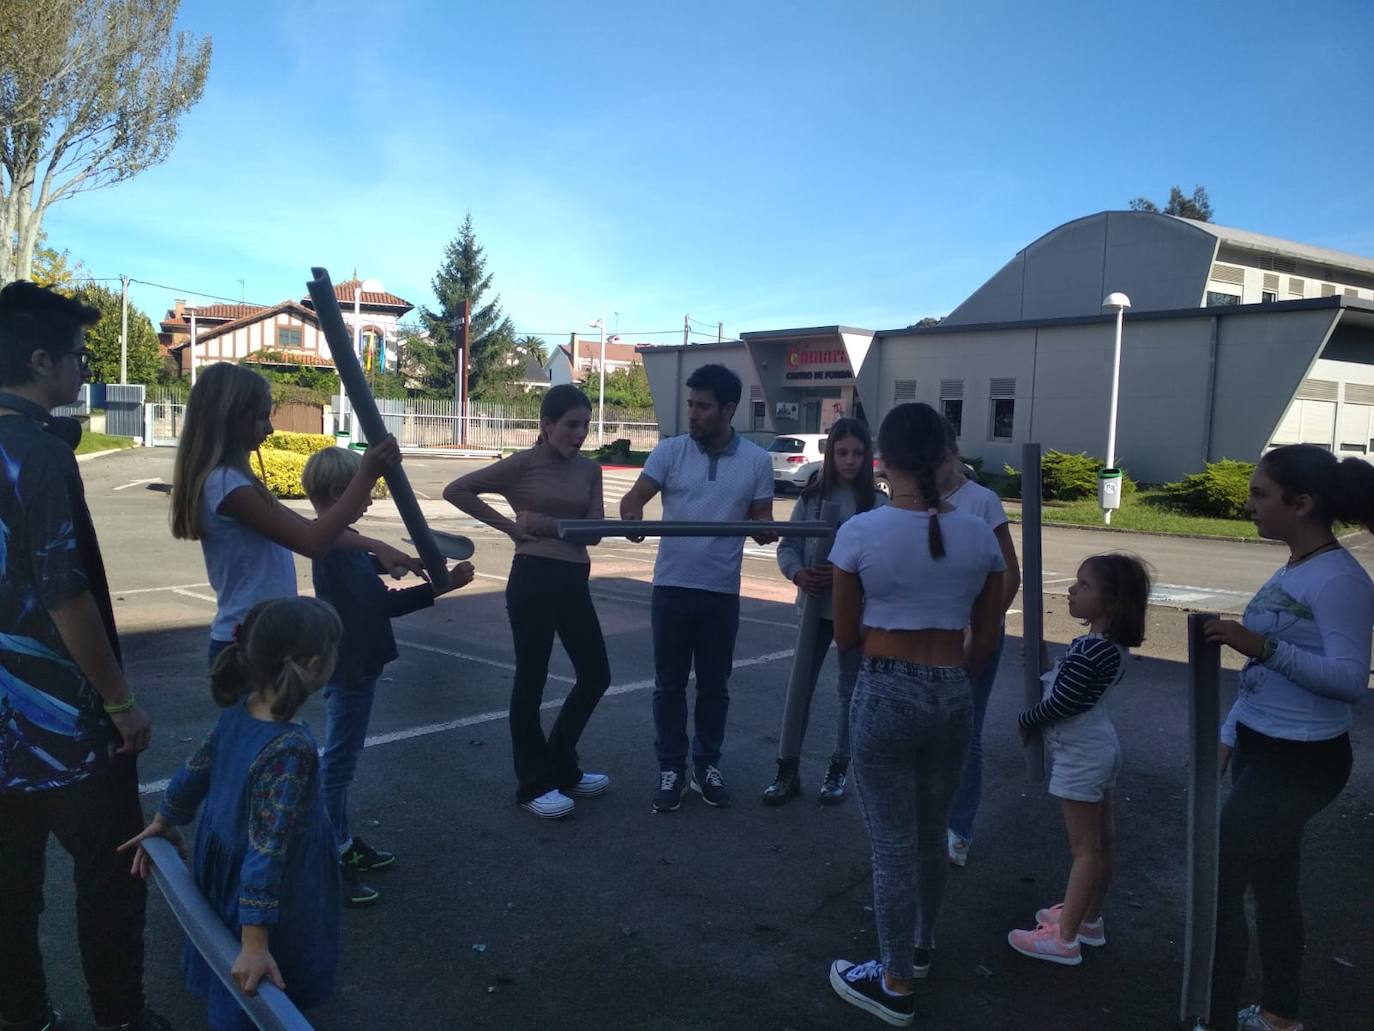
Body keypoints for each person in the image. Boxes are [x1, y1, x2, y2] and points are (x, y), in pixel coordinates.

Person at [0, 281, 169, 1031]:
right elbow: (66, 596)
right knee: (110, 873)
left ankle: (26, 1014)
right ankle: (119, 1016)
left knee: (9, 891)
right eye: (74, 355)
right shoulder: (36, 454)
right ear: (40, 360)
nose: (80, 369)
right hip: (63, 724)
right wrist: (120, 702)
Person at [826, 403, 1004, 1027]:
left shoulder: (862, 533)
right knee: (932, 833)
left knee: (892, 844)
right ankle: (920, 948)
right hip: (951, 692)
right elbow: (985, 639)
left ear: (884, 459)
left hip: (885, 691)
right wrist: (951, 672)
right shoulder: (980, 534)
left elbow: (845, 634)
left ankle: (895, 981)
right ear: (946, 455)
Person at [1200, 445, 1374, 1031]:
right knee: (1274, 886)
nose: (1249, 504)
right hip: (1259, 745)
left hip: (1304, 760)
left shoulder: (1341, 581)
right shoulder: (1295, 567)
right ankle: (1280, 1015)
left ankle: (1212, 1014)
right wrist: (1229, 736)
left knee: (1219, 877)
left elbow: (1350, 681)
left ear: (1303, 504)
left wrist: (1261, 644)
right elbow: (1261, 677)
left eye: (1260, 495)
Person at [120, 597, 344, 1031]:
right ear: (315, 664)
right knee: (249, 985)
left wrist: (166, 819)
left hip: (225, 869)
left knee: (224, 954)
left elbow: (194, 770)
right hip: (276, 887)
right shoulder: (290, 748)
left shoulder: (241, 711)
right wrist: (256, 940)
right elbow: (268, 848)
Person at [303, 447, 475, 903]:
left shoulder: (345, 540)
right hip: (353, 667)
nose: (370, 501)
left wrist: (398, 560)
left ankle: (339, 840)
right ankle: (328, 856)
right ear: (341, 492)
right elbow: (380, 604)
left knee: (341, 761)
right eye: (364, 492)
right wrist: (440, 587)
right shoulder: (337, 549)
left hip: (357, 664)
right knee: (338, 765)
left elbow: (370, 572)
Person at [444, 384, 613, 819]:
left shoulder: (589, 471)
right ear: (547, 425)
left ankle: (560, 762)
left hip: (574, 577)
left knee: (596, 675)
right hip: (533, 578)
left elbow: (594, 531)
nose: (579, 434)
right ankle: (533, 783)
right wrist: (508, 526)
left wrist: (542, 522)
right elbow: (457, 490)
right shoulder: (523, 465)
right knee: (532, 678)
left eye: (585, 426)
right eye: (571, 425)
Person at [169, 362, 411, 665]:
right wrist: (366, 475)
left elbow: (307, 528)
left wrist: (377, 546)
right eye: (260, 417)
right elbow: (312, 542)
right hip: (248, 645)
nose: (269, 429)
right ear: (229, 418)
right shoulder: (227, 485)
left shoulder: (235, 481)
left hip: (258, 637)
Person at [619, 364, 776, 813]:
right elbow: (634, 499)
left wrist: (764, 529)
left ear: (728, 409)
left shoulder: (757, 462)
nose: (693, 413)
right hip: (671, 588)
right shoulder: (669, 453)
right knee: (668, 686)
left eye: (702, 406)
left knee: (714, 687)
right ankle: (671, 767)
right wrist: (632, 517)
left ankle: (707, 765)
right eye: (690, 404)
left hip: (720, 593)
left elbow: (761, 518)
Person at [1006, 553, 1151, 966]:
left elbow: (1065, 702)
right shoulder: (1104, 648)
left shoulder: (1093, 652)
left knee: (1086, 850)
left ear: (1112, 601)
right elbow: (1070, 688)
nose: (1071, 589)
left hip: (1082, 755)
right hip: (1097, 749)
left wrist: (1026, 720)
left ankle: (1065, 939)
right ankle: (1088, 918)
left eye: (1084, 585)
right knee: (1102, 842)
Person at [767, 417, 887, 805]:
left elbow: (884, 563)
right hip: (814, 610)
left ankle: (839, 766)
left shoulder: (878, 504)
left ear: (867, 455)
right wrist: (799, 573)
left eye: (857, 452)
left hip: (856, 614)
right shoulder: (811, 498)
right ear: (830, 454)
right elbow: (788, 547)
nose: (849, 460)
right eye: (841, 452)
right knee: (799, 687)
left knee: (850, 693)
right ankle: (787, 767)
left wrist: (847, 578)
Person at [942, 443, 1021, 866]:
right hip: (934, 635)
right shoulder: (914, 498)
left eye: (937, 456)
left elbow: (1010, 573)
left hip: (976, 635)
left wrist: (982, 629)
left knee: (966, 733)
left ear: (953, 454)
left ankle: (958, 829)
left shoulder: (981, 500)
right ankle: (928, 821)